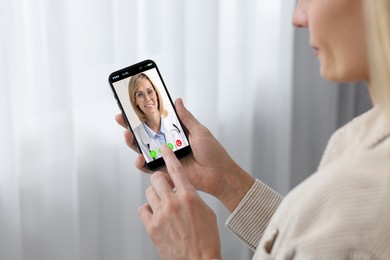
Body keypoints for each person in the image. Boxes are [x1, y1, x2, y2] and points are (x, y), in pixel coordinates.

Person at [115, 0, 390, 258]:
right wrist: (227, 181)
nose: (297, 18)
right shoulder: (364, 134)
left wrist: (198, 254)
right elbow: (314, 246)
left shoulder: (368, 195)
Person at [128, 73, 188, 162]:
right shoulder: (136, 135)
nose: (147, 98)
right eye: (140, 94)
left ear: (156, 93)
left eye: (150, 91)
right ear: (135, 100)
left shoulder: (176, 119)